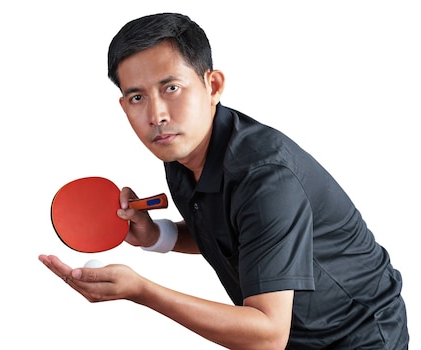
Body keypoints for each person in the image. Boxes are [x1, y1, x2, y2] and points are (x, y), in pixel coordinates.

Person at [38, 12, 409, 349]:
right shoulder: (181, 151)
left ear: (212, 86)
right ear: (124, 106)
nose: (157, 115)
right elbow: (236, 233)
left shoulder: (266, 179)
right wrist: (158, 236)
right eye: (137, 96)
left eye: (171, 88)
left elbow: (266, 334)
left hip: (358, 336)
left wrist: (142, 291)